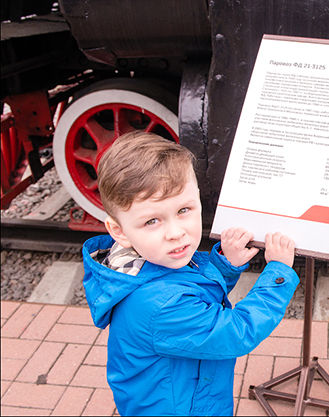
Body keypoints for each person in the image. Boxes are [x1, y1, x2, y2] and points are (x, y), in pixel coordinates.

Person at [82, 131, 299, 416]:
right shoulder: (161, 305)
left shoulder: (147, 262)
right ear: (119, 231)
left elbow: (192, 290)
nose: (176, 233)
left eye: (184, 209)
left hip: (180, 394)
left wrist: (225, 265)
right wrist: (278, 275)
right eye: (152, 221)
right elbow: (235, 333)